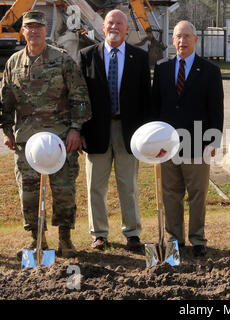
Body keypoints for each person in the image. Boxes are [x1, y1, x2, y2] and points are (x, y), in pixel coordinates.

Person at [0, 11, 91, 258]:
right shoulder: (14, 63)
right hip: (26, 143)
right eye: (29, 27)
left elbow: (80, 97)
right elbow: (5, 102)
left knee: (64, 191)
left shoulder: (62, 61)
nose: (34, 31)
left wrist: (75, 129)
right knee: (28, 194)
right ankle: (36, 239)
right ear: (23, 32)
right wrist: (7, 131)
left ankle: (65, 239)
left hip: (61, 140)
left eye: (39, 27)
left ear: (45, 31)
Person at [78, 9, 151, 251]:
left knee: (128, 185)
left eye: (120, 23)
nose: (115, 27)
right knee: (95, 186)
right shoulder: (86, 56)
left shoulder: (139, 58)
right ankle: (99, 234)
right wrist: (79, 131)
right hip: (95, 131)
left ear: (127, 28)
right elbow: (80, 98)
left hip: (128, 131)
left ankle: (132, 233)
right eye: (111, 22)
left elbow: (145, 98)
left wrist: (144, 134)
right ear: (102, 27)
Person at [152, 20, 224, 257]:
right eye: (178, 37)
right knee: (171, 194)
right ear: (172, 40)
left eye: (187, 36)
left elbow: (216, 109)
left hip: (197, 142)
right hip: (168, 145)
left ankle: (197, 238)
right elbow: (156, 107)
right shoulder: (161, 68)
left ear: (196, 40)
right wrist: (154, 140)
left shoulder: (210, 71)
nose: (182, 41)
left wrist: (214, 140)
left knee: (197, 194)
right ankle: (175, 239)